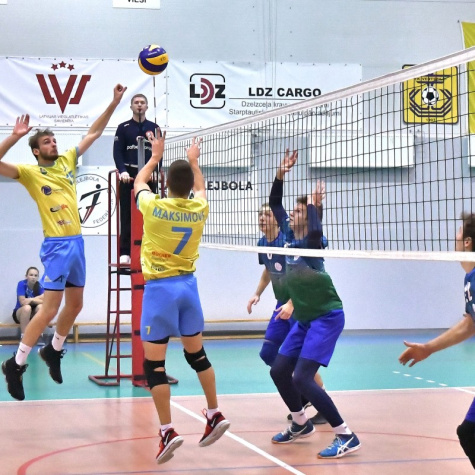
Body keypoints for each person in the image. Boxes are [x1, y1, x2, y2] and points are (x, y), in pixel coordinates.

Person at [0, 84, 127, 401]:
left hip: (77, 243)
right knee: (49, 310)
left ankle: (53, 350)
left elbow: (94, 132)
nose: (53, 143)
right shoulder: (30, 173)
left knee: (76, 304)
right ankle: (15, 365)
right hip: (56, 246)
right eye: (46, 141)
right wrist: (14, 136)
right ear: (36, 151)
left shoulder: (68, 159)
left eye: (54, 139)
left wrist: (113, 102)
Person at [134, 132, 230, 464]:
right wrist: (194, 161)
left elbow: (138, 183)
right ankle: (214, 412)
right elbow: (201, 189)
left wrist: (154, 157)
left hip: (160, 291)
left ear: (165, 183)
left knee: (154, 366)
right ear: (189, 186)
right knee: (197, 354)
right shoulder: (199, 208)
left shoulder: (154, 207)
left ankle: (167, 431)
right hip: (189, 289)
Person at [268, 149, 361, 459]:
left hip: (326, 316)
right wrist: (280, 174)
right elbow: (275, 203)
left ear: (307, 218)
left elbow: (317, 228)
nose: (291, 215)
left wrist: (313, 205)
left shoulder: (313, 243)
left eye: (298, 212)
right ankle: (300, 423)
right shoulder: (287, 235)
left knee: (302, 378)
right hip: (306, 318)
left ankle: (346, 435)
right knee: (279, 370)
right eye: (294, 211)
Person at [399, 212, 475, 469]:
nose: (455, 237)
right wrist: (428, 348)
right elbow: (470, 323)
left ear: (467, 242)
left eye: (458, 233)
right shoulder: (470, 278)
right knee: (469, 433)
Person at [247, 203, 328, 425]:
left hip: (299, 304)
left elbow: (303, 272)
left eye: (267, 214)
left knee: (302, 360)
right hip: (281, 303)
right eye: (260, 214)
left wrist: (293, 302)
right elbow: (268, 270)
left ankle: (319, 401)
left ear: (276, 220)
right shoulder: (262, 243)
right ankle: (302, 393)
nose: (262, 218)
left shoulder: (288, 241)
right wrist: (257, 293)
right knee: (268, 353)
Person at [113, 93, 161, 265]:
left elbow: (159, 153)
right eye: (136, 102)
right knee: (126, 215)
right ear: (131, 106)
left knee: (151, 215)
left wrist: (156, 171)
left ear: (147, 106)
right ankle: (125, 252)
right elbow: (117, 152)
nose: (139, 105)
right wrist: (122, 171)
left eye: (142, 102)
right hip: (129, 177)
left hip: (148, 178)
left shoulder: (154, 128)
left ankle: (150, 250)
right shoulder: (123, 128)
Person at [13, 267, 44, 338]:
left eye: (35, 275)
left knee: (41, 307)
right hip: (20, 313)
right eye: (31, 275)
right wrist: (38, 298)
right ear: (26, 276)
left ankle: (39, 335)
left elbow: (45, 302)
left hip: (33, 314)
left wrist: (31, 299)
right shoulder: (22, 284)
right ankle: (24, 336)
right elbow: (23, 302)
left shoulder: (40, 286)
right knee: (27, 308)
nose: (33, 277)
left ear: (38, 277)